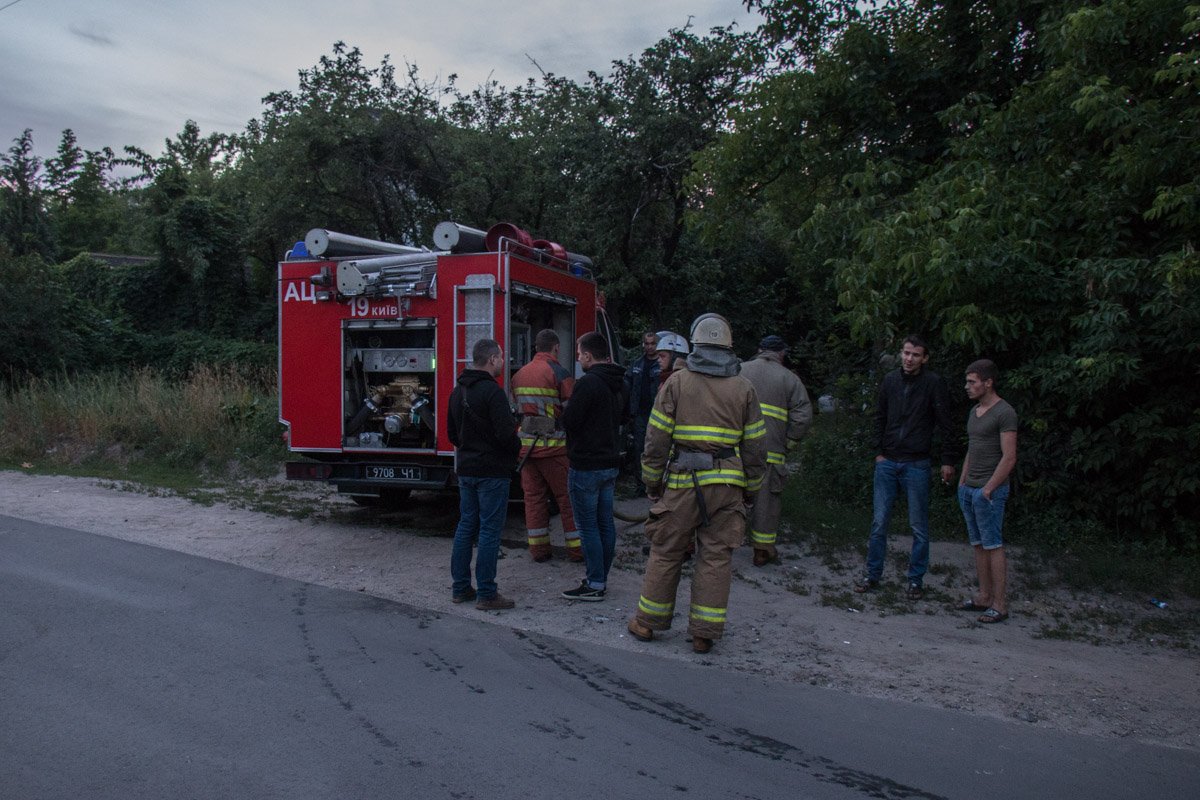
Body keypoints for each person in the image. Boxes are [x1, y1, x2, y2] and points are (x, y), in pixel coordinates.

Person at [627, 313, 766, 654]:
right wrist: (752, 487)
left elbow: (656, 438)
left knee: (666, 551)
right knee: (716, 557)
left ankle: (647, 623)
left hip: (683, 482)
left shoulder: (676, 382)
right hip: (728, 485)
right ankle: (704, 633)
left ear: (695, 345)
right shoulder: (744, 388)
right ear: (729, 347)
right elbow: (756, 447)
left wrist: (652, 481)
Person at [855, 334, 958, 599]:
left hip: (917, 463)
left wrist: (947, 459)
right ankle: (872, 574)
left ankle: (915, 580)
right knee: (879, 523)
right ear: (901, 353)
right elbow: (879, 417)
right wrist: (878, 452)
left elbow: (946, 424)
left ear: (924, 358)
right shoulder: (890, 381)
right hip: (888, 461)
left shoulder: (933, 384)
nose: (909, 359)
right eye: (906, 353)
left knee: (919, 526)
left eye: (915, 354)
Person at [447, 338, 521, 611]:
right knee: (490, 531)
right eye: (501, 358)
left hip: (466, 470)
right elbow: (506, 434)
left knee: (466, 526)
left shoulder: (458, 392)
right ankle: (487, 594)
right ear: (491, 360)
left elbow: (451, 435)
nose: (503, 362)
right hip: (493, 472)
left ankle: (460, 588)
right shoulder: (493, 392)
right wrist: (517, 448)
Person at [560, 332, 627, 601]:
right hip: (609, 463)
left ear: (588, 355)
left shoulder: (588, 384)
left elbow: (571, 421)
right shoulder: (619, 382)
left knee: (587, 526)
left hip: (586, 465)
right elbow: (624, 417)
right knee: (605, 524)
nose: (578, 359)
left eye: (579, 354)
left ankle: (595, 583)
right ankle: (601, 578)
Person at [739, 335, 812, 567]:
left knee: (730, 499)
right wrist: (789, 442)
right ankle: (762, 551)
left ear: (760, 350)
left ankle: (723, 542)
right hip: (771, 452)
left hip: (737, 450)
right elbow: (803, 416)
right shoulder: (790, 379)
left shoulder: (739, 370)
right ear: (781, 353)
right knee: (766, 504)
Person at [511, 329, 581, 563]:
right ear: (556, 348)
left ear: (536, 348)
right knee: (567, 500)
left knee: (533, 500)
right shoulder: (560, 373)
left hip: (526, 449)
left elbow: (518, 410)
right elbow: (572, 414)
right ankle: (577, 551)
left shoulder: (518, 375)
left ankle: (539, 551)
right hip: (554, 448)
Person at [957, 359, 1018, 624]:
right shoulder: (975, 412)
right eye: (967, 381)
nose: (967, 387)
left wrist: (988, 489)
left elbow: (1009, 457)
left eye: (972, 382)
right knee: (978, 544)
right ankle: (984, 596)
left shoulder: (1004, 413)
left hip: (989, 491)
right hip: (970, 488)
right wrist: (962, 482)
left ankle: (1000, 604)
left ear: (988, 382)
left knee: (993, 544)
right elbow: (973, 447)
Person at [625, 331, 660, 492]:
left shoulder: (661, 365)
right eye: (646, 343)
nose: (649, 347)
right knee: (639, 448)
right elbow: (628, 386)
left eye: (652, 343)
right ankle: (641, 484)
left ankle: (656, 483)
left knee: (655, 447)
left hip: (657, 415)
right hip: (639, 414)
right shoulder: (637, 364)